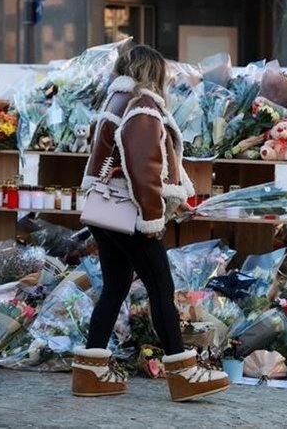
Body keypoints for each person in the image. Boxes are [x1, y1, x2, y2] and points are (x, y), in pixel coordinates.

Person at [73, 45, 229, 402]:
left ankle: (90, 372)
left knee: (115, 286)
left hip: (107, 211)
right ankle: (183, 371)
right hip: (131, 212)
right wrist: (151, 220)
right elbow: (143, 170)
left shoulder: (116, 100)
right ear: (153, 72)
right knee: (161, 287)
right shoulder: (142, 106)